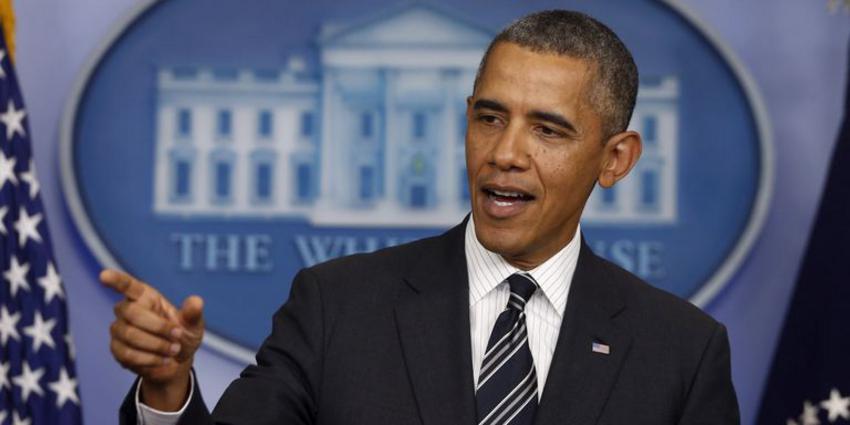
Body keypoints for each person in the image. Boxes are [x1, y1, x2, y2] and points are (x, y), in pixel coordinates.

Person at [105, 9, 740, 425]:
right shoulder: (336, 306)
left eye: (547, 130)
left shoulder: (681, 352)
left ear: (615, 159)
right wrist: (168, 390)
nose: (505, 153)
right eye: (489, 118)